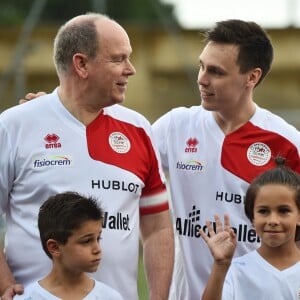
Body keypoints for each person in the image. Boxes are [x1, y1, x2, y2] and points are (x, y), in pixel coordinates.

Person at [0, 12, 174, 300]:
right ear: (81, 64)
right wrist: (5, 284)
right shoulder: (14, 125)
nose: (130, 69)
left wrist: (158, 297)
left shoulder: (139, 129)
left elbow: (157, 227)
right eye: (118, 59)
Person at [151, 19, 300, 299]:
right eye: (201, 66)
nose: (202, 79)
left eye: (216, 72)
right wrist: (54, 109)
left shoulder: (287, 142)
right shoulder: (175, 126)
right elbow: (118, 149)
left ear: (251, 77)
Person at [200, 157, 300, 300]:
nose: (272, 220)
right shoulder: (235, 271)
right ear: (252, 217)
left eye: (283, 211)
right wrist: (220, 265)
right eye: (263, 211)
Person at [15, 191, 123, 300]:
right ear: (54, 247)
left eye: (98, 239)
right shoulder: (27, 297)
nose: (97, 249)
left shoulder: (110, 297)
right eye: (86, 241)